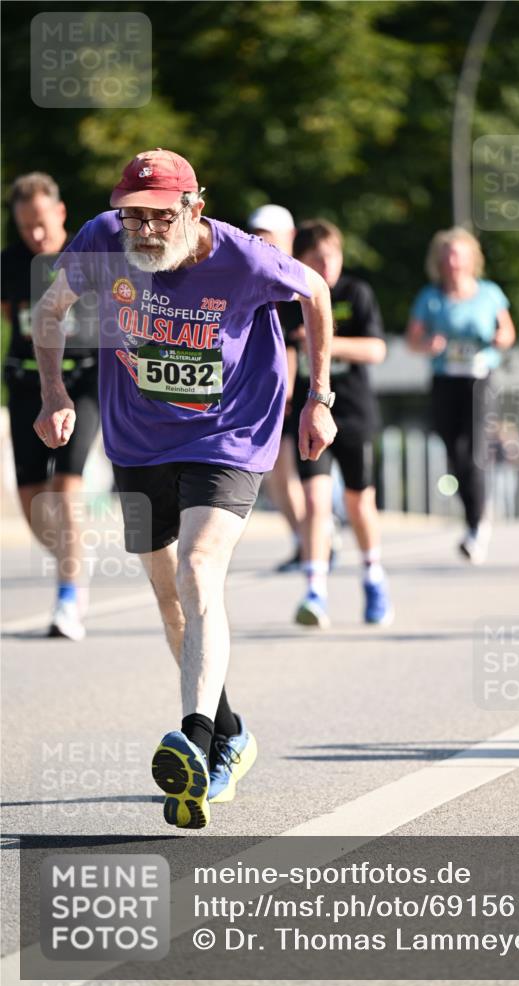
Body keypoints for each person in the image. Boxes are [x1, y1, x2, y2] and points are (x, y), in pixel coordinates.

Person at [31, 149, 336, 829]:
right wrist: (54, 393)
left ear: (194, 209)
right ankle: (229, 733)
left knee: (199, 569)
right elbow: (49, 311)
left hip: (229, 433)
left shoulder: (243, 258)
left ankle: (194, 740)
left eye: (159, 217)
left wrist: (319, 398)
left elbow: (315, 291)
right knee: (169, 595)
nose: (143, 231)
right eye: (132, 216)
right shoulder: (101, 241)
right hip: (137, 439)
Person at [1, 172, 100, 640]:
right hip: (28, 384)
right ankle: (74, 559)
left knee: (65, 486)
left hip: (83, 382)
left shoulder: (88, 257)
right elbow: (12, 316)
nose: (36, 234)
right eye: (26, 226)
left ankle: (67, 596)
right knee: (30, 498)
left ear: (60, 213)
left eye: (42, 222)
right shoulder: (10, 264)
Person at [290, 219, 393, 627]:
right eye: (317, 258)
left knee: (359, 502)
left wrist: (323, 342)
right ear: (300, 260)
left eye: (332, 256)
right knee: (316, 501)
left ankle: (373, 577)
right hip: (307, 414)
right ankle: (315, 591)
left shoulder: (356, 293)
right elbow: (281, 353)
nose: (327, 265)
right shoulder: (288, 296)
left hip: (353, 411)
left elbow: (377, 349)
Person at [406, 227, 515, 563]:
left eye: (459, 256)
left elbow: (508, 332)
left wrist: (500, 339)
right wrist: (428, 344)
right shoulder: (430, 297)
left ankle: (477, 527)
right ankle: (477, 513)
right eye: (448, 257)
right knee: (454, 452)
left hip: (480, 379)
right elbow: (412, 340)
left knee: (474, 450)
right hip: (445, 380)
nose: (453, 263)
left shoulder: (489, 293)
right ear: (439, 261)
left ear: (471, 260)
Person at [247, 204, 307, 571]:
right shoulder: (253, 277)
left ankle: (314, 541)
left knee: (292, 474)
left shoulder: (294, 279)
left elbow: (293, 345)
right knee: (277, 477)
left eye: (270, 237)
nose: (264, 244)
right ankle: (304, 541)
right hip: (269, 391)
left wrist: (287, 394)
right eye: (258, 237)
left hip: (294, 394)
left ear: (290, 237)